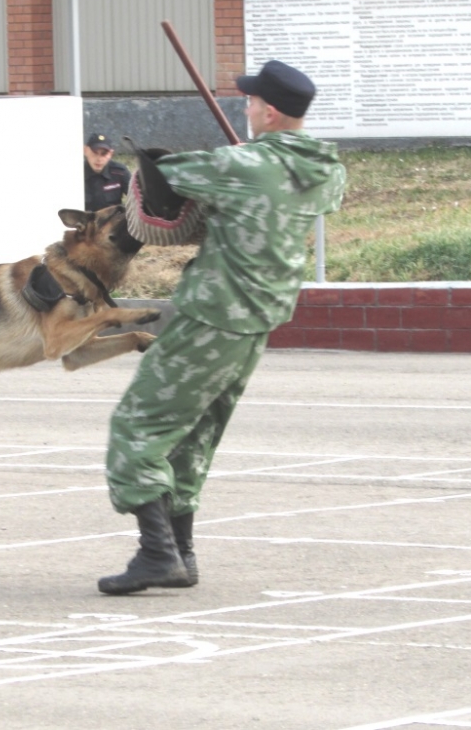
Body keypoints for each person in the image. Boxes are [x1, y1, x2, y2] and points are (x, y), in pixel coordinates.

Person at [97, 60, 346, 595]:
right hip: (257, 320)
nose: (247, 107)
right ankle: (181, 552)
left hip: (212, 314)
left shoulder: (242, 164)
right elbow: (271, 180)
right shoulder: (322, 170)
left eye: (253, 101)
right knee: (193, 436)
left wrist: (218, 162)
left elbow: (165, 176)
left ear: (270, 112)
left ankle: (158, 554)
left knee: (137, 427)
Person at [83, 132, 131, 212]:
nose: (99, 159)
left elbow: (137, 201)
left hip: (113, 222)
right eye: (95, 153)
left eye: (103, 154)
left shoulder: (120, 172)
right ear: (85, 150)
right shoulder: (76, 173)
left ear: (111, 154)